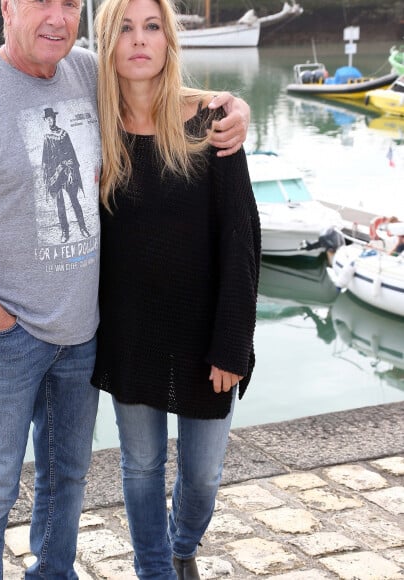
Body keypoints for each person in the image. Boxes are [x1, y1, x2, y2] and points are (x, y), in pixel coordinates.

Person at [0, 0, 251, 576]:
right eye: (40, 1)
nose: (55, 17)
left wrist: (235, 105)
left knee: (67, 479)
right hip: (8, 338)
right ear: (7, 7)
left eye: (68, 3)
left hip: (81, 337)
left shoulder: (83, 72)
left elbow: (163, 86)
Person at [90, 0, 261, 577]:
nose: (139, 41)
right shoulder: (95, 130)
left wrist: (232, 343)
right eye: (125, 29)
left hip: (206, 334)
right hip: (129, 333)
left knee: (204, 474)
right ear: (106, 45)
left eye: (152, 27)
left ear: (169, 41)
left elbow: (242, 236)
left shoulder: (209, 120)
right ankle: (156, 568)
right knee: (139, 466)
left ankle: (183, 542)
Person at [42, 106, 91, 243]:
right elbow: (45, 159)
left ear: (54, 118)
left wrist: (71, 171)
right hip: (55, 175)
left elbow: (71, 154)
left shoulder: (64, 134)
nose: (50, 121)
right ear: (46, 121)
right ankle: (65, 231)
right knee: (60, 204)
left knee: (74, 200)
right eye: (47, 119)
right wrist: (47, 174)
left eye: (51, 118)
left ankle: (83, 227)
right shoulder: (46, 137)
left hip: (67, 172)